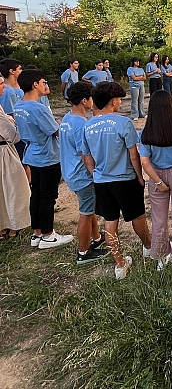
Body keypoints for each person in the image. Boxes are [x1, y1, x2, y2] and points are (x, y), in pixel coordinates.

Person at [81, 82, 151, 280]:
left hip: (102, 181)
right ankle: (148, 246)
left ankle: (119, 264)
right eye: (120, 99)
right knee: (137, 216)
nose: (122, 102)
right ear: (113, 101)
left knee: (110, 222)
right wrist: (139, 176)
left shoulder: (87, 125)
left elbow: (87, 158)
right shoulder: (123, 123)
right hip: (126, 179)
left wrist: (96, 174)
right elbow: (134, 154)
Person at [13, 69, 73, 249]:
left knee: (37, 195)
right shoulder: (38, 108)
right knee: (48, 197)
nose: (45, 85)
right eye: (43, 82)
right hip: (47, 156)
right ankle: (48, 235)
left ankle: (37, 233)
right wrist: (63, 126)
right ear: (35, 85)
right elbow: (54, 131)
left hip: (32, 154)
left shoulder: (19, 105)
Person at [139, 90, 172, 269]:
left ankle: (161, 257)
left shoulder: (146, 131)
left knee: (158, 219)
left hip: (156, 175)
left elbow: (144, 162)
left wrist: (159, 182)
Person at [59, 82, 109, 264]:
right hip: (82, 176)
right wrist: (95, 175)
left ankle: (96, 238)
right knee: (86, 213)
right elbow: (86, 156)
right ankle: (83, 252)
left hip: (70, 171)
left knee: (89, 208)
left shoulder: (67, 118)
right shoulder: (82, 124)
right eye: (91, 98)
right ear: (84, 100)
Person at [0, 73, 30, 239]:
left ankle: (4, 225)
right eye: (0, 84)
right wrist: (14, 124)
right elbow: (11, 134)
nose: (4, 86)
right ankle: (14, 225)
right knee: (14, 188)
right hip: (4, 152)